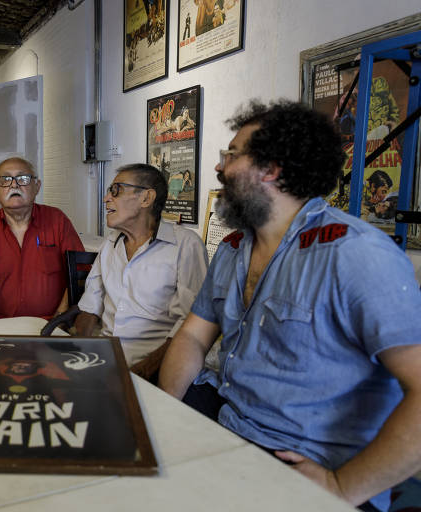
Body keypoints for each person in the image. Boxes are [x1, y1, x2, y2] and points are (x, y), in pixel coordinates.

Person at [158, 100, 421, 512]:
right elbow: (192, 335)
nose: (219, 168)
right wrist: (163, 418)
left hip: (307, 462)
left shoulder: (353, 252)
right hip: (229, 428)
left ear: (272, 168)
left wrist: (340, 487)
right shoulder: (232, 249)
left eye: (231, 155)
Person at [75, 163, 207, 372]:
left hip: (154, 367)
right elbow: (90, 308)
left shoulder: (186, 245)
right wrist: (80, 355)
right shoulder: (110, 243)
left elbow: (189, 327)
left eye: (116, 190)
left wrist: (143, 372)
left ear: (146, 198)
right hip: (103, 360)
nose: (106, 198)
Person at [0, 157, 84, 320]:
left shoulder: (57, 220)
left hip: (53, 324)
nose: (14, 185)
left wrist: (60, 319)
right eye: (5, 179)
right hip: (3, 325)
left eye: (23, 178)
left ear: (37, 186)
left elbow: (79, 272)